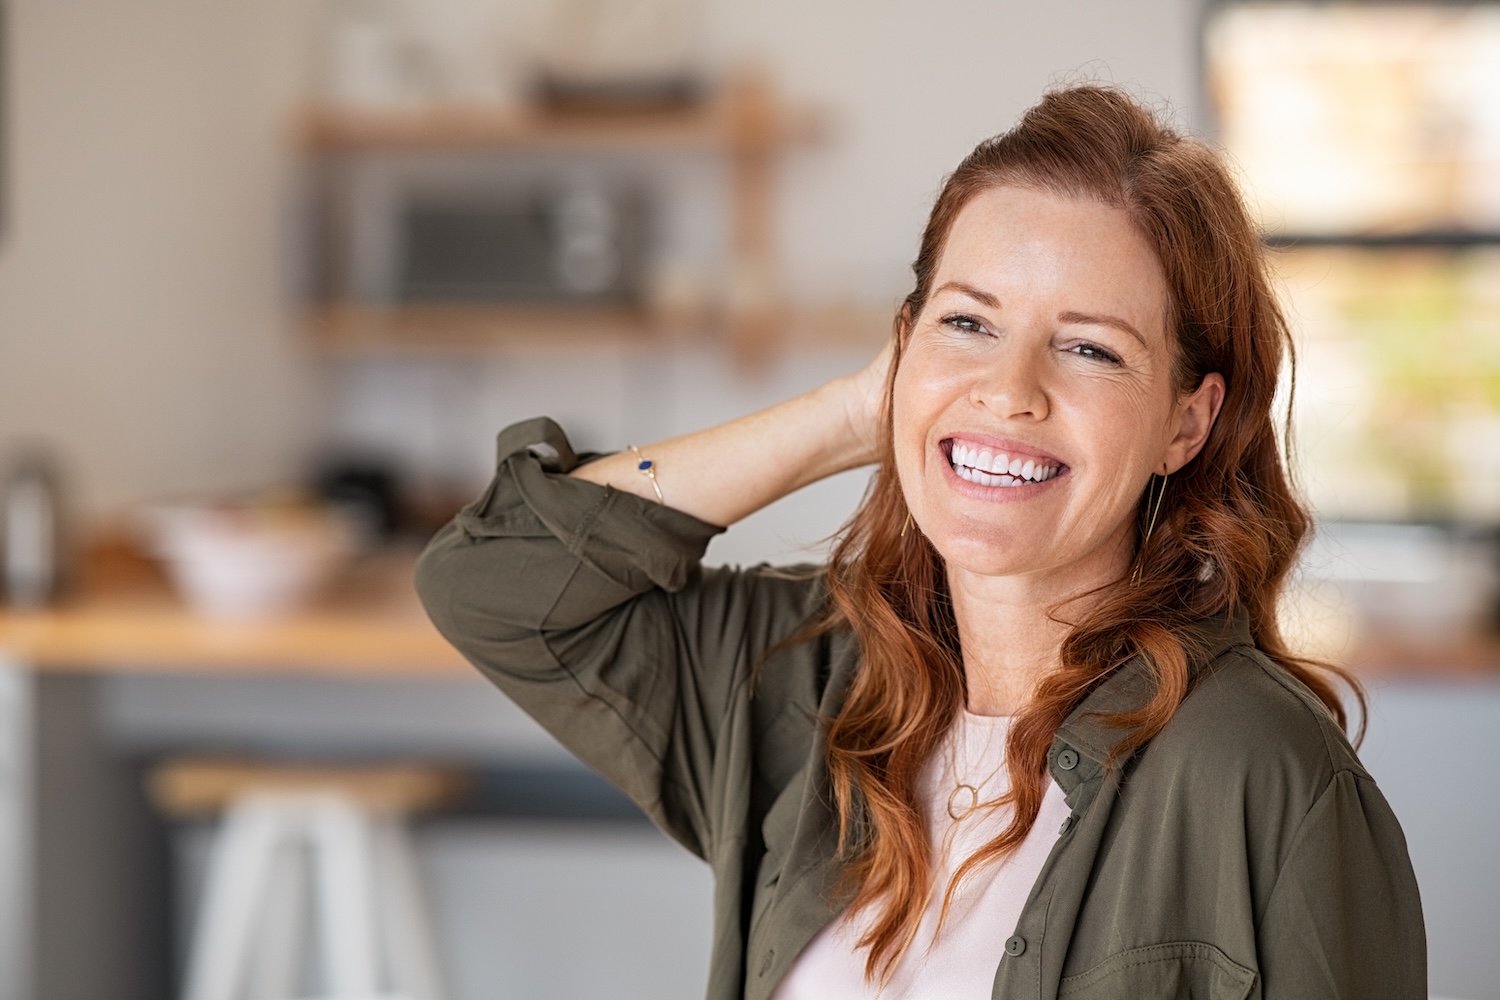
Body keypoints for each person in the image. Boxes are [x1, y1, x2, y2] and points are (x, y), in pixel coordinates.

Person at [414, 85, 1425, 1000]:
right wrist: (863, 412)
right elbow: (495, 581)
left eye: (1089, 348)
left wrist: (943, 388)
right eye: (969, 323)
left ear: (1185, 422)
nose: (1011, 389)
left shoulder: (1261, 772)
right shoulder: (803, 678)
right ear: (901, 346)